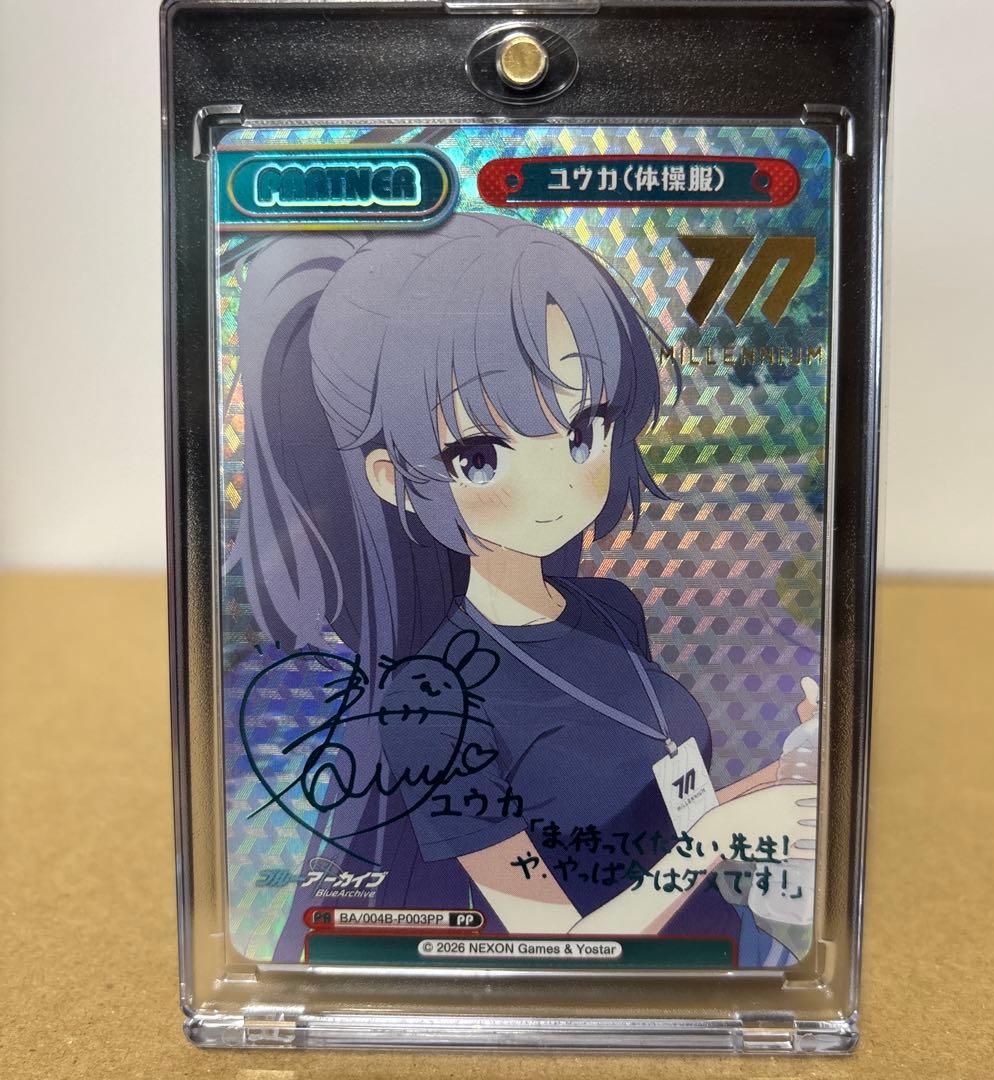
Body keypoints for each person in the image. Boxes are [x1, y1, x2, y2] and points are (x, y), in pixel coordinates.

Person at [233, 212, 814, 965]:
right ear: (393, 479)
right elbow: (551, 939)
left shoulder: (610, 612)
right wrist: (719, 838)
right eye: (481, 455)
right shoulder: (430, 701)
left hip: (710, 965)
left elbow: (667, 819)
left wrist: (788, 780)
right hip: (601, 995)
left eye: (583, 430)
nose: (559, 485)